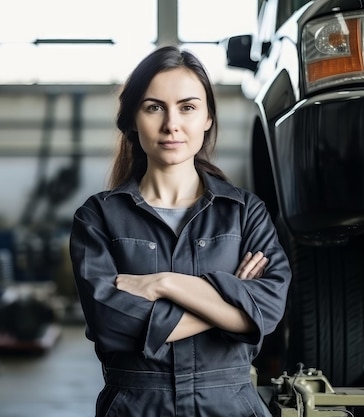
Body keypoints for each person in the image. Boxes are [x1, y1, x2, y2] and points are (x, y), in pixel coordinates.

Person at [69, 45, 291, 417]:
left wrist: (164, 284)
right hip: (137, 406)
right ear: (131, 121)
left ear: (207, 118)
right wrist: (231, 308)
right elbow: (111, 324)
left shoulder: (244, 212)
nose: (172, 123)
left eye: (187, 107)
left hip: (230, 405)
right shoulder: (98, 217)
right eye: (154, 107)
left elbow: (268, 310)